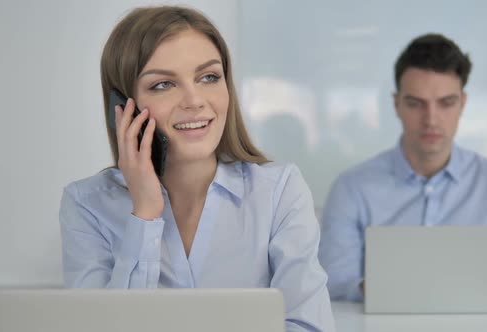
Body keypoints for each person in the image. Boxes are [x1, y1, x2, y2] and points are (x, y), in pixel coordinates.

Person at [59, 6, 334, 331]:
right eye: (163, 84)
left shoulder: (279, 191)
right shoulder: (87, 204)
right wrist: (144, 214)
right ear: (122, 107)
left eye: (208, 77)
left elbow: (309, 325)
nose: (194, 100)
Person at [319, 33, 487, 303]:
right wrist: (378, 288)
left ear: (462, 103)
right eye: (415, 104)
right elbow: (333, 282)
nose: (431, 119)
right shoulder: (352, 188)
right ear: (396, 104)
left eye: (446, 103)